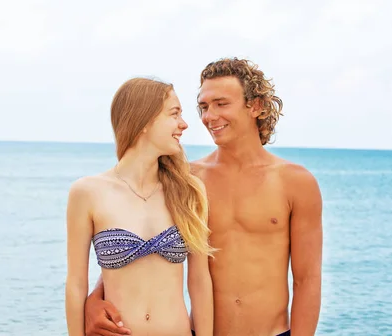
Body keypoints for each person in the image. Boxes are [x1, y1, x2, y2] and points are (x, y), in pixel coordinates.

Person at [84, 58, 323, 336]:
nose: (209, 116)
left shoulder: (295, 182)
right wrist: (94, 298)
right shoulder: (186, 178)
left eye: (221, 104)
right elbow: (139, 243)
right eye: (204, 107)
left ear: (255, 106)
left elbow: (307, 280)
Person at [65, 78, 214, 336]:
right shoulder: (87, 192)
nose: (184, 124)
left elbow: (200, 281)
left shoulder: (189, 190)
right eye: (174, 114)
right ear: (144, 121)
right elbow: (76, 284)